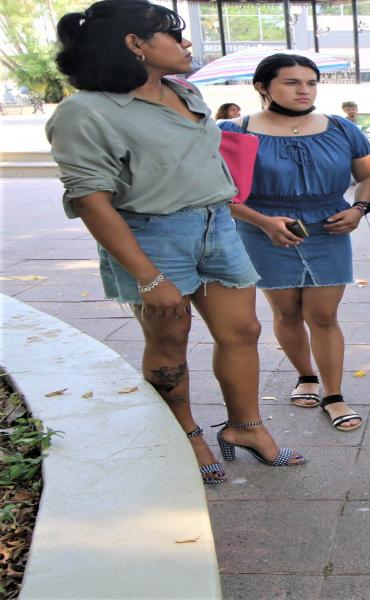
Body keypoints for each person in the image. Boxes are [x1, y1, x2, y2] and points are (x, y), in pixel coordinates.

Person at [46, 0, 306, 483]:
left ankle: (245, 427)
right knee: (169, 339)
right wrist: (148, 278)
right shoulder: (85, 112)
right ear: (135, 45)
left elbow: (204, 171)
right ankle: (184, 434)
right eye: (173, 33)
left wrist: (256, 218)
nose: (186, 43)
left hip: (217, 227)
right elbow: (91, 200)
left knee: (243, 331)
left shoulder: (184, 91)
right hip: (152, 235)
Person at [219, 54, 370, 431]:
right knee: (286, 312)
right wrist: (262, 222)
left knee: (324, 315)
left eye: (310, 82)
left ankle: (334, 395)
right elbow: (222, 193)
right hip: (263, 230)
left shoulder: (341, 128)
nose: (304, 90)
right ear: (262, 86)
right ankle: (305, 374)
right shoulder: (234, 130)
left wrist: (358, 209)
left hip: (329, 228)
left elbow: (368, 177)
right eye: (292, 82)